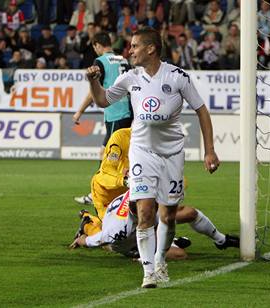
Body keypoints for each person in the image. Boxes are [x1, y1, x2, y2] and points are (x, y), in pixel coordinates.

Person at [86, 27, 220, 288]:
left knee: (167, 216)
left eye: (135, 46)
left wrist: (210, 150)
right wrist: (93, 81)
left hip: (171, 154)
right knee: (145, 212)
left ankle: (160, 260)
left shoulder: (177, 77)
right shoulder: (129, 78)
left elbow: (202, 110)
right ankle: (148, 272)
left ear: (151, 49)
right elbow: (102, 100)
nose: (130, 51)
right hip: (141, 152)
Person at [70, 191, 239, 257]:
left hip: (137, 220)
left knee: (190, 213)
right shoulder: (119, 230)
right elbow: (99, 240)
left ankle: (221, 240)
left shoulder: (144, 191)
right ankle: (88, 223)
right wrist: (81, 240)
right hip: (131, 244)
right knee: (181, 255)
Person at [73, 31, 133, 206]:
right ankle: (107, 191)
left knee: (110, 156)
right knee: (112, 154)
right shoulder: (123, 59)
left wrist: (79, 112)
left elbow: (95, 92)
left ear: (98, 45)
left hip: (116, 112)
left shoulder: (100, 62)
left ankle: (103, 193)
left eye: (94, 47)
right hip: (128, 111)